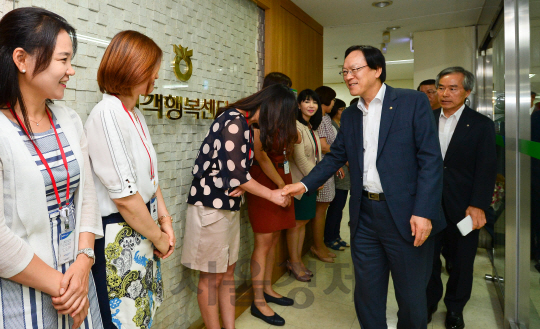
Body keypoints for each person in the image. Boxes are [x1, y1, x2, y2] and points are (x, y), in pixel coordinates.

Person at [282, 45, 444, 329]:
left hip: (406, 215)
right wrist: (304, 186)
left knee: (411, 297)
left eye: (355, 69)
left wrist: (424, 211)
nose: (348, 76)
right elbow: (335, 157)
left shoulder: (412, 101)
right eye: (344, 71)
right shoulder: (353, 114)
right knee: (367, 294)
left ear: (377, 69)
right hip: (365, 215)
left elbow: (430, 160)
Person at [0, 7, 103, 329]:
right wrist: (63, 288)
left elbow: (85, 199)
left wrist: (84, 262)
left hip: (79, 281)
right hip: (25, 290)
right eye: (63, 59)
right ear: (21, 59)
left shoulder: (70, 121)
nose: (71, 70)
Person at [181, 84, 293, 329]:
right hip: (211, 208)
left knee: (227, 273)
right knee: (212, 278)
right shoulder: (233, 121)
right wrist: (272, 195)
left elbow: (235, 172)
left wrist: (242, 183)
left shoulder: (243, 122)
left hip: (226, 207)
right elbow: (237, 175)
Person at [85, 31, 175, 329]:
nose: (156, 76)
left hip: (143, 227)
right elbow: (124, 197)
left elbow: (151, 178)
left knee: (142, 315)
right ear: (131, 68)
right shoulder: (106, 114)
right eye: (151, 69)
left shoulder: (134, 113)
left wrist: (165, 219)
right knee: (123, 320)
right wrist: (159, 237)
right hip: (120, 235)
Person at [426, 67, 497, 329]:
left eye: (453, 88)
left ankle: (455, 308)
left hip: (464, 207)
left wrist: (478, 204)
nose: (445, 93)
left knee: (461, 262)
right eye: (441, 88)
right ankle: (428, 303)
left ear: (467, 91)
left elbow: (486, 168)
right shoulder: (426, 119)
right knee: (428, 259)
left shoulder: (480, 125)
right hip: (429, 205)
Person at [246, 74, 298, 324]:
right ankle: (258, 301)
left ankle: (267, 289)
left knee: (275, 237)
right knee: (263, 242)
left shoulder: (279, 116)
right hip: (265, 180)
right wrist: (280, 185)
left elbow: (293, 140)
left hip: (281, 177)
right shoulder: (256, 120)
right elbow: (261, 156)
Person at [287, 89, 326, 282]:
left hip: (308, 184)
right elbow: (300, 159)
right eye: (306, 101)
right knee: (296, 225)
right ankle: (293, 262)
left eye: (315, 102)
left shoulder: (310, 126)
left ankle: (298, 260)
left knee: (302, 224)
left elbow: (314, 156)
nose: (311, 105)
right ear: (299, 104)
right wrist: (316, 179)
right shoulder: (295, 126)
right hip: (300, 184)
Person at [312, 86, 341, 257]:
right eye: (333, 99)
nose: (334, 103)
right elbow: (323, 146)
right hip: (323, 166)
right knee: (320, 210)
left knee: (324, 208)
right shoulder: (321, 120)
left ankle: (320, 245)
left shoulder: (326, 119)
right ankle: (318, 246)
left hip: (329, 166)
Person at [325, 98, 350, 250]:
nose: (343, 111)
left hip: (346, 170)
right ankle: (329, 237)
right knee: (336, 207)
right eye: (340, 109)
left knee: (340, 208)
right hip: (339, 170)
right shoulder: (330, 124)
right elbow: (332, 148)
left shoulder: (340, 125)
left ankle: (337, 235)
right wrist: (347, 162)